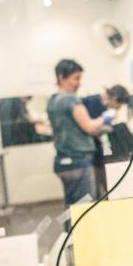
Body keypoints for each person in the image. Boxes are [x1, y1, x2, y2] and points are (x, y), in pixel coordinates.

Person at [47, 59, 108, 207]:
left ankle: (68, 230)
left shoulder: (53, 100)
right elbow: (90, 127)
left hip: (62, 161)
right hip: (78, 160)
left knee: (71, 206)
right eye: (76, 78)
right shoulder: (70, 99)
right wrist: (105, 117)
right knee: (85, 207)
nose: (79, 83)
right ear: (61, 77)